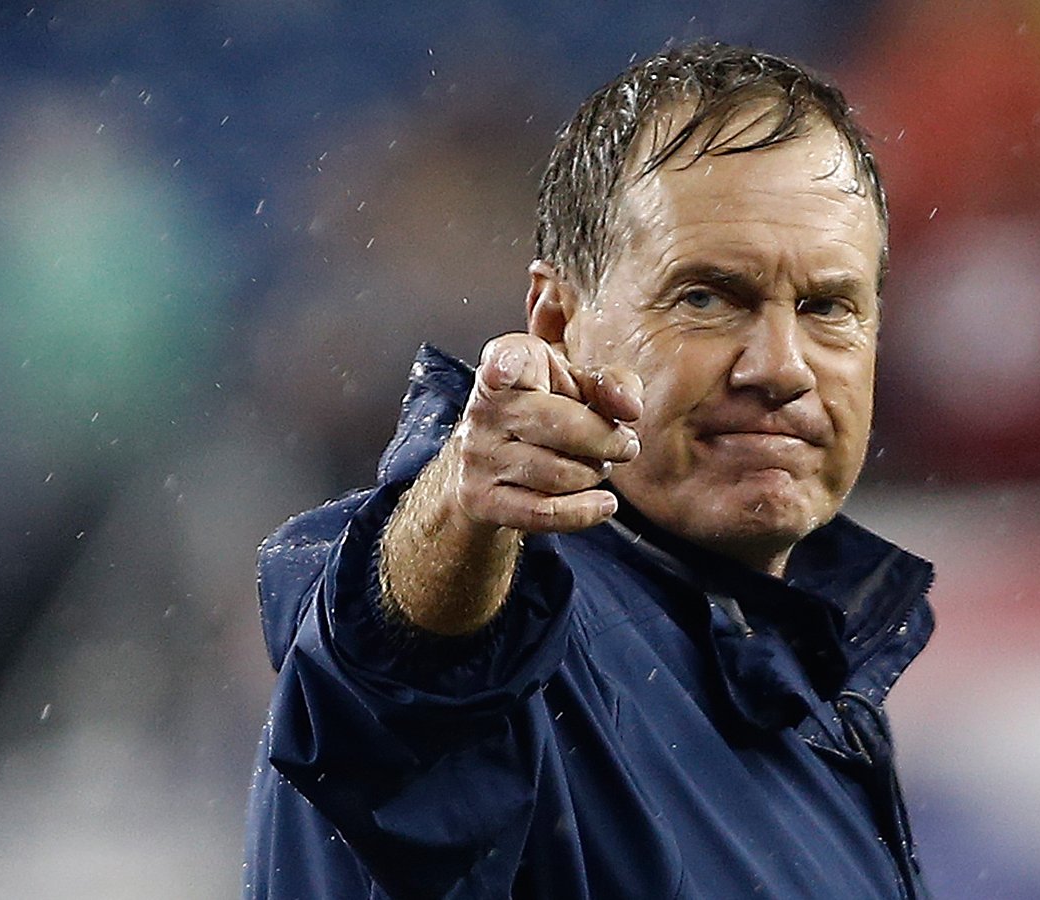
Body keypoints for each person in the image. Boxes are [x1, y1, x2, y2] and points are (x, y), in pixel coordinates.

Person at [244, 41, 935, 899]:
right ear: (558, 321)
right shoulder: (514, 626)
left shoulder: (812, 680)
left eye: (827, 306)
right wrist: (466, 506)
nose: (781, 366)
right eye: (707, 296)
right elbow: (396, 663)